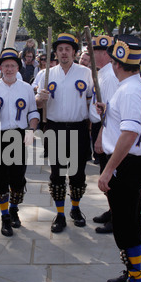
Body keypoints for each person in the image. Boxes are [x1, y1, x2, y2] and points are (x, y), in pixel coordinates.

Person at [96, 35, 141, 282]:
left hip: (128, 164)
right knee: (132, 219)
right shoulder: (138, 86)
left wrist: (108, 170)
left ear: (117, 63)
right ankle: (133, 272)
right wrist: (107, 111)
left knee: (126, 225)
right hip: (135, 163)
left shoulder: (130, 90)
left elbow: (129, 134)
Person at [36, 33, 93, 233]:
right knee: (57, 173)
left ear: (75, 52)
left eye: (68, 49)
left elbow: (89, 100)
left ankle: (75, 209)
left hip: (78, 128)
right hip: (55, 128)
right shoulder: (46, 74)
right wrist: (39, 99)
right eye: (60, 49)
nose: (64, 53)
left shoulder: (85, 73)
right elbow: (36, 103)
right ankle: (59, 213)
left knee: (78, 174)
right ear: (56, 52)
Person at [0, 48, 39, 237]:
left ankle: (14, 209)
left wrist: (31, 129)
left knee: (18, 176)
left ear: (18, 67)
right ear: (0, 68)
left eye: (12, 65)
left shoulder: (26, 88)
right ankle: (5, 216)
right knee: (0, 177)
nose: (9, 69)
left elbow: (33, 112)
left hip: (19, 135)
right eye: (5, 65)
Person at [89, 35, 120, 234]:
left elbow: (109, 110)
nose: (92, 55)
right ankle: (112, 210)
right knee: (104, 172)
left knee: (110, 176)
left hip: (105, 130)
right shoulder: (102, 73)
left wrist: (101, 134)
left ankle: (117, 217)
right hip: (99, 128)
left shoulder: (110, 76)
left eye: (95, 51)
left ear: (105, 53)